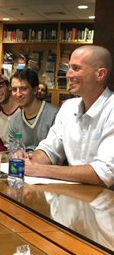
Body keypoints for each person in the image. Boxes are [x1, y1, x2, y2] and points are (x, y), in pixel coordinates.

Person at [26, 45, 114, 187]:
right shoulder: (68, 107)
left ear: (100, 74)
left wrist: (41, 169)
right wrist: (31, 160)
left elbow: (104, 173)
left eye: (76, 68)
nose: (68, 75)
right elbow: (50, 149)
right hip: (72, 194)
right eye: (69, 68)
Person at [9, 68, 58, 152]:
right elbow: (13, 149)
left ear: (35, 90)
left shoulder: (55, 115)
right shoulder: (14, 120)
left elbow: (58, 150)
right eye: (14, 89)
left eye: (23, 88)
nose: (18, 94)